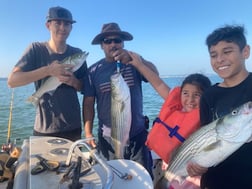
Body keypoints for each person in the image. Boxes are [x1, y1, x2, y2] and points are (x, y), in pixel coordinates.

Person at [83, 22, 161, 177]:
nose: (113, 44)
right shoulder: (93, 71)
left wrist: (137, 60)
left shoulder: (134, 61)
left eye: (117, 40)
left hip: (137, 136)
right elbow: (88, 104)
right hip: (108, 139)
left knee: (143, 179)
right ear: (101, 46)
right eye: (107, 41)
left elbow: (155, 75)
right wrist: (87, 133)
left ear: (123, 43)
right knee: (112, 178)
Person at [7, 6, 87, 141]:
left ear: (71, 28)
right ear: (48, 25)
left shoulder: (77, 53)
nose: (62, 27)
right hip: (44, 128)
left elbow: (85, 88)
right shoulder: (35, 49)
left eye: (67, 23)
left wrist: (73, 81)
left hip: (73, 127)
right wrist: (48, 70)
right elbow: (12, 81)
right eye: (58, 23)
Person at [187, 25, 252, 189]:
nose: (219, 59)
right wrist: (196, 164)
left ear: (245, 51)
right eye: (213, 55)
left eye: (227, 51)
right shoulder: (209, 95)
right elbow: (206, 139)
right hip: (215, 181)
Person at [143, 72, 211, 189]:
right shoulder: (176, 108)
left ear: (206, 97)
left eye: (197, 95)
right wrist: (139, 64)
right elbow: (158, 84)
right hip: (171, 168)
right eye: (185, 93)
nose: (190, 99)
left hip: (192, 177)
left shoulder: (206, 118)